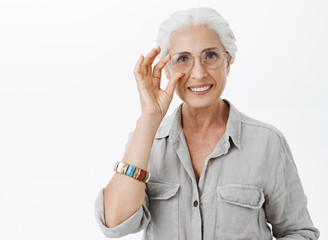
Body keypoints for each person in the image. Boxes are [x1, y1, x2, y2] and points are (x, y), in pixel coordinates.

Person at [94, 7, 320, 240]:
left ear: (228, 62)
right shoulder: (145, 142)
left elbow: (299, 232)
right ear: (167, 68)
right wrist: (149, 118)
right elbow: (114, 224)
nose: (199, 73)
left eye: (210, 55)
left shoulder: (267, 143)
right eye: (183, 59)